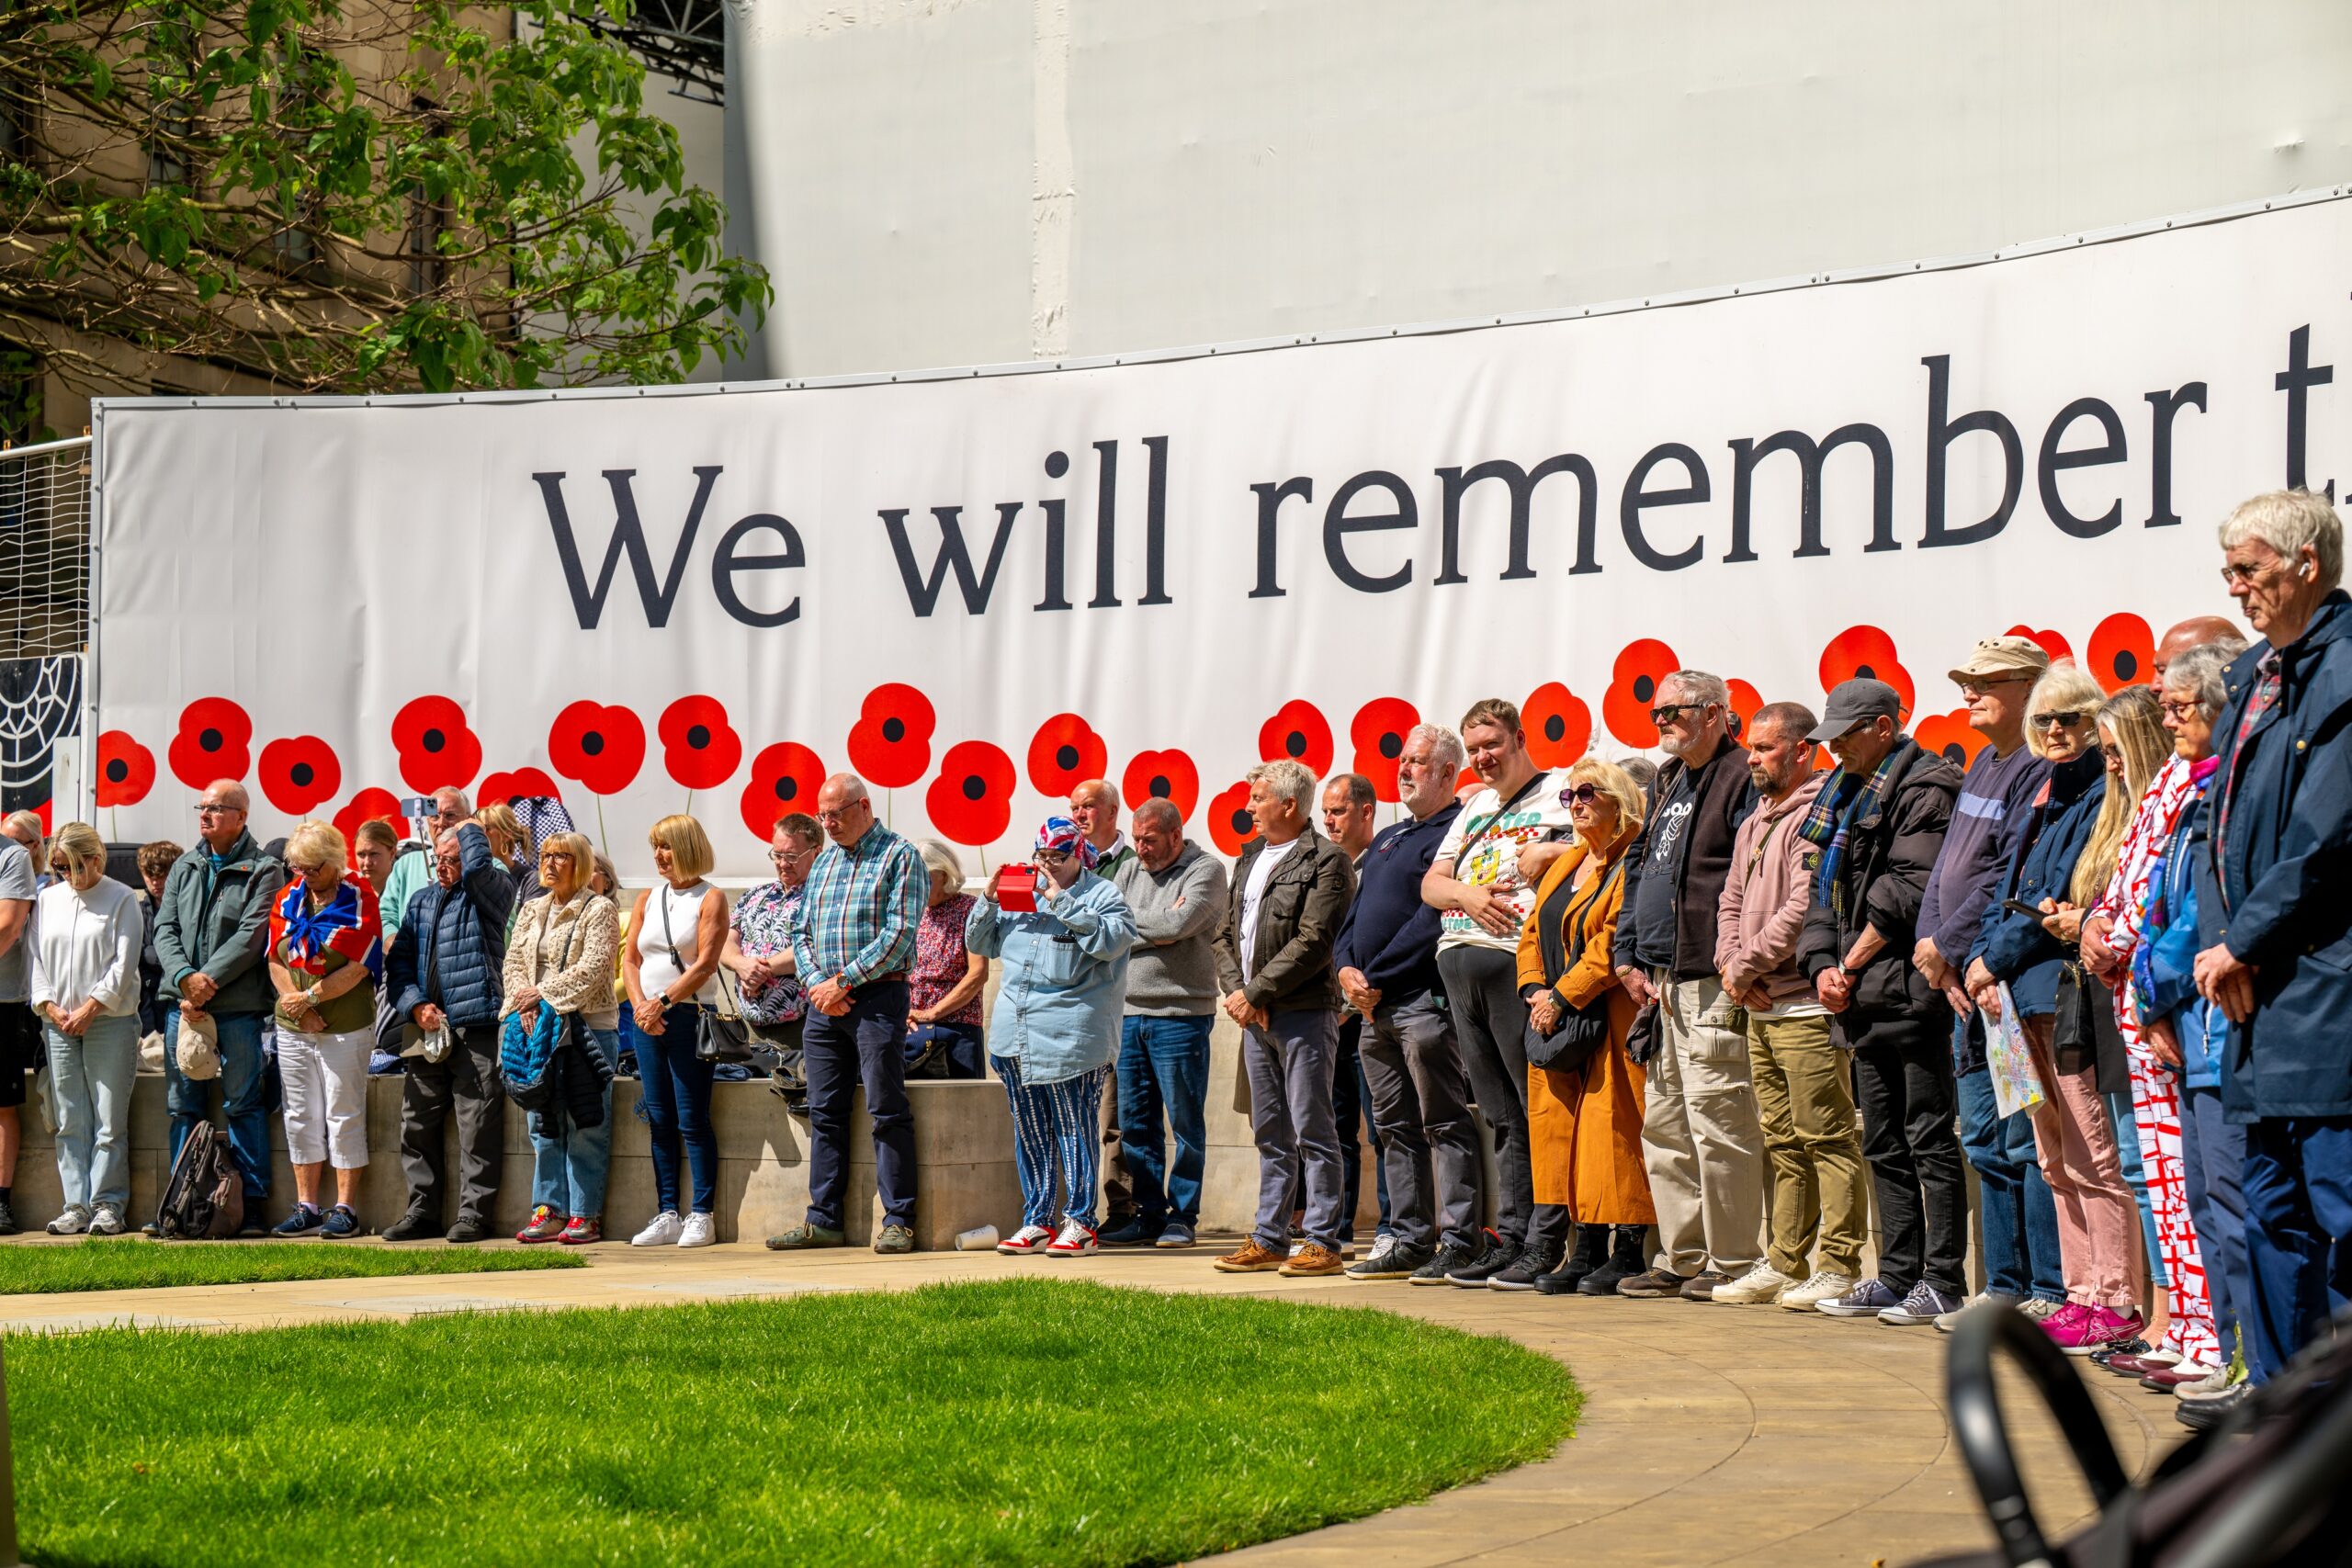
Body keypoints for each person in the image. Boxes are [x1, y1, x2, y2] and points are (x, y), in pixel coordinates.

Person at [2191, 489, 2352, 1414]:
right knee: (2270, 1211)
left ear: (2306, 564)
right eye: (2229, 571)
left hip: (2325, 988)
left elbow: (2325, 837)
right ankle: (2289, 1406)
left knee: (2340, 1209)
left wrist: (2243, 943)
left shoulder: (2344, 669)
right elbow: (2211, 825)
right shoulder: (2255, 674)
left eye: (2248, 569)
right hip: (2253, 991)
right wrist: (2223, 944)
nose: (2235, 587)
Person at [2084, 626, 2251, 1385]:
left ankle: (2219, 1339)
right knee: (2163, 1177)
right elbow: (2133, 885)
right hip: (2143, 998)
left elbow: (2182, 907)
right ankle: (2189, 1326)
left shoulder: (2215, 779)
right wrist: (2097, 925)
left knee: (2197, 1187)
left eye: (2176, 693)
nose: (2161, 697)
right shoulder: (2170, 782)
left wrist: (2142, 969)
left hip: (2178, 1009)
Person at [1967, 663, 2144, 1354]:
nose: (2056, 730)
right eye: (2044, 719)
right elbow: (2005, 892)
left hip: (2063, 995)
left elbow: (2057, 906)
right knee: (2052, 1157)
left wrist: (1991, 959)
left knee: (2094, 1152)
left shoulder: (2102, 795)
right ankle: (2080, 1292)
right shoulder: (2041, 793)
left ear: (2096, 723)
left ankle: (2118, 1297)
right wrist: (1983, 962)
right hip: (2016, 999)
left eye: (2071, 718)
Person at [1798, 680, 1968, 1325]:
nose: (1834, 747)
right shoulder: (1842, 792)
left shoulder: (1927, 784)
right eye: (1830, 736)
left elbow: (1906, 890)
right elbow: (1821, 895)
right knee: (1883, 1142)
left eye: (1845, 734)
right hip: (1860, 997)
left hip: (1910, 992)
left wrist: (1847, 964)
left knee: (1929, 1136)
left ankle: (1942, 1280)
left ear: (1883, 727)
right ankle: (1897, 1276)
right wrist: (1821, 965)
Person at [1915, 636, 2063, 1329]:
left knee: (2023, 1141)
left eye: (1986, 682)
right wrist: (1931, 946)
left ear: (2030, 687)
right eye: (1965, 683)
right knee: (1981, 1139)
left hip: (1999, 981)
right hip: (1962, 983)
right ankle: (2002, 1287)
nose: (1969, 693)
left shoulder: (2036, 765)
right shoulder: (1981, 762)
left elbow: (2005, 877)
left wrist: (1954, 950)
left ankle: (2044, 1288)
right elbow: (1948, 866)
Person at [1713, 702, 1869, 1310]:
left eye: (1765, 748)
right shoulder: (1754, 819)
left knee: (1826, 1136)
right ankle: (1783, 1262)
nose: (1752, 758)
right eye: (1751, 747)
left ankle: (1839, 1264)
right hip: (1759, 1002)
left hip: (1804, 1004)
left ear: (1803, 750)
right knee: (1780, 1141)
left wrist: (1743, 967)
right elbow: (1729, 900)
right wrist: (1732, 967)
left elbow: (1804, 907)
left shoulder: (1818, 811)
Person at [1613, 670, 1763, 1300]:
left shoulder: (1740, 775)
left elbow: (1753, 871)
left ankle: (1732, 1259)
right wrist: (1627, 954)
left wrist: (1736, 958)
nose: (1662, 722)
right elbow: (1640, 864)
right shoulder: (1669, 777)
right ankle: (1682, 1256)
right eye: (1657, 713)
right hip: (1662, 980)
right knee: (1666, 1126)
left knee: (1719, 1121)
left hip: (1711, 976)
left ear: (1715, 713)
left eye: (1673, 711)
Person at [1421, 698, 1578, 1283]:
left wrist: (1551, 850)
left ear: (1519, 738)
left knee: (1537, 1108)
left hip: (1519, 965)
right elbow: (1432, 884)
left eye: (1492, 744)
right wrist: (1467, 896)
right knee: (1501, 1114)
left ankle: (1544, 1240)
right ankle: (1511, 1237)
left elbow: (1607, 844)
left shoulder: (1561, 790)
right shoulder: (1476, 806)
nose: (1483, 758)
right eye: (1474, 750)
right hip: (1458, 968)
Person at [2076, 685, 2201, 1366]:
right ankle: (2176, 1322)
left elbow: (2162, 902)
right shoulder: (2141, 800)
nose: (2111, 764)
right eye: (2105, 752)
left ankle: (2188, 1325)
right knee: (2145, 1167)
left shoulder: (2185, 791)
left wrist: (2112, 935)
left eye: (2117, 749)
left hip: (2162, 1001)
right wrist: (2096, 922)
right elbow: (2117, 895)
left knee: (2176, 1176)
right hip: (2127, 996)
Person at [1512, 759, 1656, 1297]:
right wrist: (1534, 990)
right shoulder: (1568, 861)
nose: (1575, 803)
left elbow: (1613, 938)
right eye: (1569, 794)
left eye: (1588, 793)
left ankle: (1627, 1250)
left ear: (1619, 800)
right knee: (1563, 1132)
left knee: (1612, 1128)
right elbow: (1531, 931)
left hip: (1608, 1012)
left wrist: (1562, 995)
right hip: (1554, 1018)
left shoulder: (1630, 857)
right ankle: (1586, 1248)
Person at [1333, 727, 1472, 1282]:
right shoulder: (1390, 837)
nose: (1404, 769)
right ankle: (1410, 1239)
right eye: (1402, 760)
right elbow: (1353, 917)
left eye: (1417, 761)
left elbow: (1431, 921)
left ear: (1447, 772)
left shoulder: (1457, 830)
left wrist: (1375, 977)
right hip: (1373, 1010)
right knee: (1392, 1127)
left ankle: (1458, 1240)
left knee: (1444, 1122)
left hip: (1420, 1003)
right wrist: (1345, 970)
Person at [770, 773, 927, 1255]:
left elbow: (900, 933)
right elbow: (801, 932)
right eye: (822, 815)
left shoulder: (900, 856)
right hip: (824, 1003)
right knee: (824, 1112)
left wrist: (843, 982)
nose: (828, 823)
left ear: (863, 806)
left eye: (835, 813)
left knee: (886, 1109)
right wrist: (820, 985)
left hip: (878, 998)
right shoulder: (823, 862)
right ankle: (823, 1220)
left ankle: (898, 1220)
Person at [1211, 759, 1355, 1278]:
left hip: (1303, 1014)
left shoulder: (1327, 860)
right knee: (1270, 1132)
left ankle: (1322, 1241)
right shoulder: (1248, 858)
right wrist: (1239, 994)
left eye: (1258, 798)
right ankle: (1270, 1238)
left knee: (1314, 1129)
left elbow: (1314, 941)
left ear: (1289, 805)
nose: (1249, 807)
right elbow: (1224, 934)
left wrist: (1255, 993)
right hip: (1256, 1019)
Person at [967, 817, 1136, 1256]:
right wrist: (989, 898)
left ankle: (1081, 1223)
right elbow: (981, 944)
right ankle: (1038, 1220)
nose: (1046, 864)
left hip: (1071, 1039)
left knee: (1074, 1129)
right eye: (1041, 855)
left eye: (1057, 857)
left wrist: (1060, 900)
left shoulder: (1103, 895)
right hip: (1014, 1037)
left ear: (1078, 855)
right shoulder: (1020, 893)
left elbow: (1111, 942)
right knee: (1030, 1132)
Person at [153, 779, 287, 1233]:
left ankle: (250, 1207)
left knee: (243, 1104)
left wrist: (203, 983)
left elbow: (252, 936)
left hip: (237, 1007)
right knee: (182, 1106)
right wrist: (183, 979)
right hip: (183, 1007)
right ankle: (179, 1205)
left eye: (215, 808)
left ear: (241, 816)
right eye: (202, 807)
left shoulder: (265, 869)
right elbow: (165, 929)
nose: (205, 815)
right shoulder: (185, 866)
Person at [1105, 796, 1229, 1249]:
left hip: (1181, 1014)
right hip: (1128, 1013)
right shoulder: (1127, 869)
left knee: (1184, 1122)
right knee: (1136, 1124)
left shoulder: (1206, 870)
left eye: (1151, 840)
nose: (1141, 849)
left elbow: (1179, 924)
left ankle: (1183, 1216)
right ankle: (1149, 1214)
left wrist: (1139, 926)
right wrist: (1157, 927)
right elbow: (1107, 927)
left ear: (1176, 835)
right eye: (1137, 839)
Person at [382, 817, 513, 1242]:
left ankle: (474, 1216)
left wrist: (471, 827)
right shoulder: (420, 900)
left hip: (476, 1027)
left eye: (452, 859)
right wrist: (415, 1006)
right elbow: (398, 965)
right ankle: (421, 1212)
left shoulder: (489, 890)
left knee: (478, 1125)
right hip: (427, 1029)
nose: (442, 866)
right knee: (416, 1123)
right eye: (437, 859)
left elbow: (477, 870)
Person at [265, 821, 383, 1239]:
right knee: (300, 1115)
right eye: (299, 868)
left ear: (334, 862)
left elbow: (360, 965)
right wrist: (299, 1010)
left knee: (343, 1113)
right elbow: (274, 958)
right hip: (294, 1026)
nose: (306, 876)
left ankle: (345, 1209)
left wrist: (311, 999)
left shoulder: (359, 898)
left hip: (344, 1025)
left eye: (314, 868)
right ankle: (307, 1207)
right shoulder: (288, 897)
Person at [506, 829, 621, 1246]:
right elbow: (513, 962)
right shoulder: (531, 908)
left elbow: (593, 968)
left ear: (581, 864)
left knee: (585, 1121)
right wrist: (524, 1003)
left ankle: (584, 1214)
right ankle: (549, 1209)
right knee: (543, 1122)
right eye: (545, 855)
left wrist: (541, 995)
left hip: (587, 1028)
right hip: (536, 1027)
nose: (550, 863)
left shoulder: (599, 909)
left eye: (561, 857)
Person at [622, 814, 729, 1248]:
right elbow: (631, 960)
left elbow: (706, 964)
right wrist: (640, 1007)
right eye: (655, 846)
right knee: (659, 1119)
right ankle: (667, 1211)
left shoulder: (711, 897)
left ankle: (702, 1213)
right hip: (647, 1020)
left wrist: (662, 1003)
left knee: (692, 1118)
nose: (659, 855)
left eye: (666, 846)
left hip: (686, 1017)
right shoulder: (648, 897)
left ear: (687, 847)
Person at [31, 823, 141, 1236]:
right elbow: (35, 960)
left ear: (96, 859)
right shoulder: (48, 899)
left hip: (110, 1021)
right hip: (57, 1022)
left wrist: (92, 1006)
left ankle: (108, 1205)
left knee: (109, 1120)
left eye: (75, 866)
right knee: (70, 1118)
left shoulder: (121, 897)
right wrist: (49, 1005)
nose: (68, 875)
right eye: (60, 867)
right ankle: (75, 1205)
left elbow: (124, 964)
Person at [1319, 770, 1387, 1247]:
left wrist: (1352, 1001)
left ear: (1366, 811)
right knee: (1336, 1125)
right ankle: (1337, 1228)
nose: (1329, 821)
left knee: (1383, 1126)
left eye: (1338, 811)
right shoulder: (1324, 865)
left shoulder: (1383, 862)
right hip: (1329, 1019)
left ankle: (1392, 1227)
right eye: (1325, 812)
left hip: (1371, 1012)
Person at [1069, 778, 1135, 1225]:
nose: (1079, 814)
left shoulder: (1132, 863)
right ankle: (1067, 1210)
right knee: (1071, 1117)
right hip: (1069, 1008)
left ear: (1112, 811)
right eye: (1074, 807)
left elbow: (1124, 931)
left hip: (1117, 1007)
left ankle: (1122, 1209)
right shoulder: (1064, 866)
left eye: (1088, 806)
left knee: (1114, 1117)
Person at [723, 814, 820, 1053]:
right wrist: (741, 965)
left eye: (792, 856)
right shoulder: (755, 895)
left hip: (801, 1030)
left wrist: (758, 971)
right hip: (749, 1031)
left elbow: (813, 948)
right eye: (777, 855)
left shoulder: (824, 897)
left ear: (816, 853)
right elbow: (726, 942)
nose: (783, 864)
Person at [904, 840, 987, 1079]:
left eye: (924, 878)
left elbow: (978, 974)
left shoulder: (970, 909)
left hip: (958, 1028)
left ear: (943, 873)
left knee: (964, 1102)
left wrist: (932, 1013)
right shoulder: (910, 911)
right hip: (912, 1028)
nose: (916, 886)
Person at [380, 786, 469, 950]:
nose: (441, 823)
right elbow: (386, 916)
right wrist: (397, 948)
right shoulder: (405, 865)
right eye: (434, 816)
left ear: (468, 819)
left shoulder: (488, 866)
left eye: (450, 815)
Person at [134, 839, 182, 1040]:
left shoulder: (189, 910)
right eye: (150, 876)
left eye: (162, 876)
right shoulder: (137, 911)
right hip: (147, 1001)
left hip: (181, 998)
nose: (156, 882)